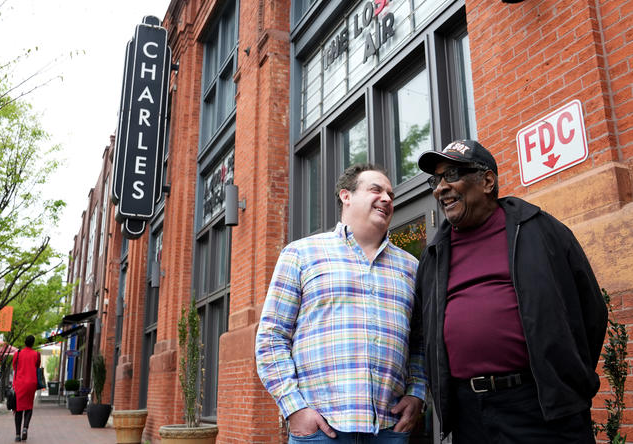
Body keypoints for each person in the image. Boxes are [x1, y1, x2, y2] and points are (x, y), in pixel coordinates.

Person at [415, 139, 607, 443]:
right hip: (469, 414)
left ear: (487, 181)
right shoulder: (434, 255)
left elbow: (592, 311)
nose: (440, 188)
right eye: (436, 180)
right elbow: (425, 333)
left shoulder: (539, 230)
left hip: (539, 407)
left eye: (451, 174)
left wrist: (568, 381)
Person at [256, 163, 427, 444]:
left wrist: (416, 393)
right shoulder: (301, 254)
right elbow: (271, 337)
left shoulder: (411, 267)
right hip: (322, 430)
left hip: (389, 429)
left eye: (390, 195)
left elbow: (420, 342)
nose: (386, 198)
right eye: (376, 189)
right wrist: (295, 408)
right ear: (346, 196)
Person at [12, 335, 40, 441]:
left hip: (19, 383)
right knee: (28, 407)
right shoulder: (37, 354)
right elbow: (37, 366)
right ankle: (25, 428)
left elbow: (14, 367)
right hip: (31, 383)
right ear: (33, 343)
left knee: (18, 408)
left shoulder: (17, 354)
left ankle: (18, 435)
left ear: (24, 342)